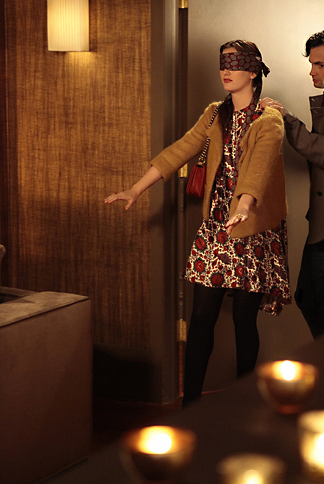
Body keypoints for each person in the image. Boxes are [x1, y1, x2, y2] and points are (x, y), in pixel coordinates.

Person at [105, 40, 291, 406]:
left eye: (235, 63)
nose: (226, 69)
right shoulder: (214, 113)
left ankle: (243, 403)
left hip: (252, 231)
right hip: (217, 230)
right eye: (223, 62)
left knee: (244, 321)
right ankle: (190, 404)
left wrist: (245, 205)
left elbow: (259, 168)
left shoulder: (269, 119)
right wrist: (136, 189)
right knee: (201, 315)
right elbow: (180, 149)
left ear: (253, 71)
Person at [262, 27, 324, 339]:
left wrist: (288, 119)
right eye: (312, 63)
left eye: (320, 65)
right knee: (307, 297)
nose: (312, 72)